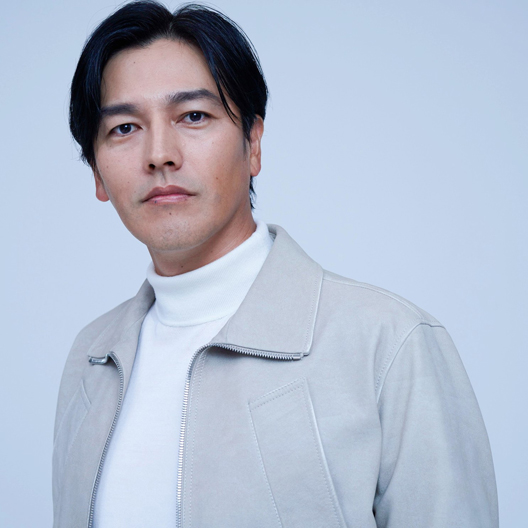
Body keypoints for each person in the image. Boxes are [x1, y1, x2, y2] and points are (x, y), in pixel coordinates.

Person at [52, 2, 499, 527]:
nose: (159, 154)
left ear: (253, 143)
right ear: (98, 174)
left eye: (194, 116)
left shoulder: (389, 344)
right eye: (125, 127)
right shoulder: (91, 358)